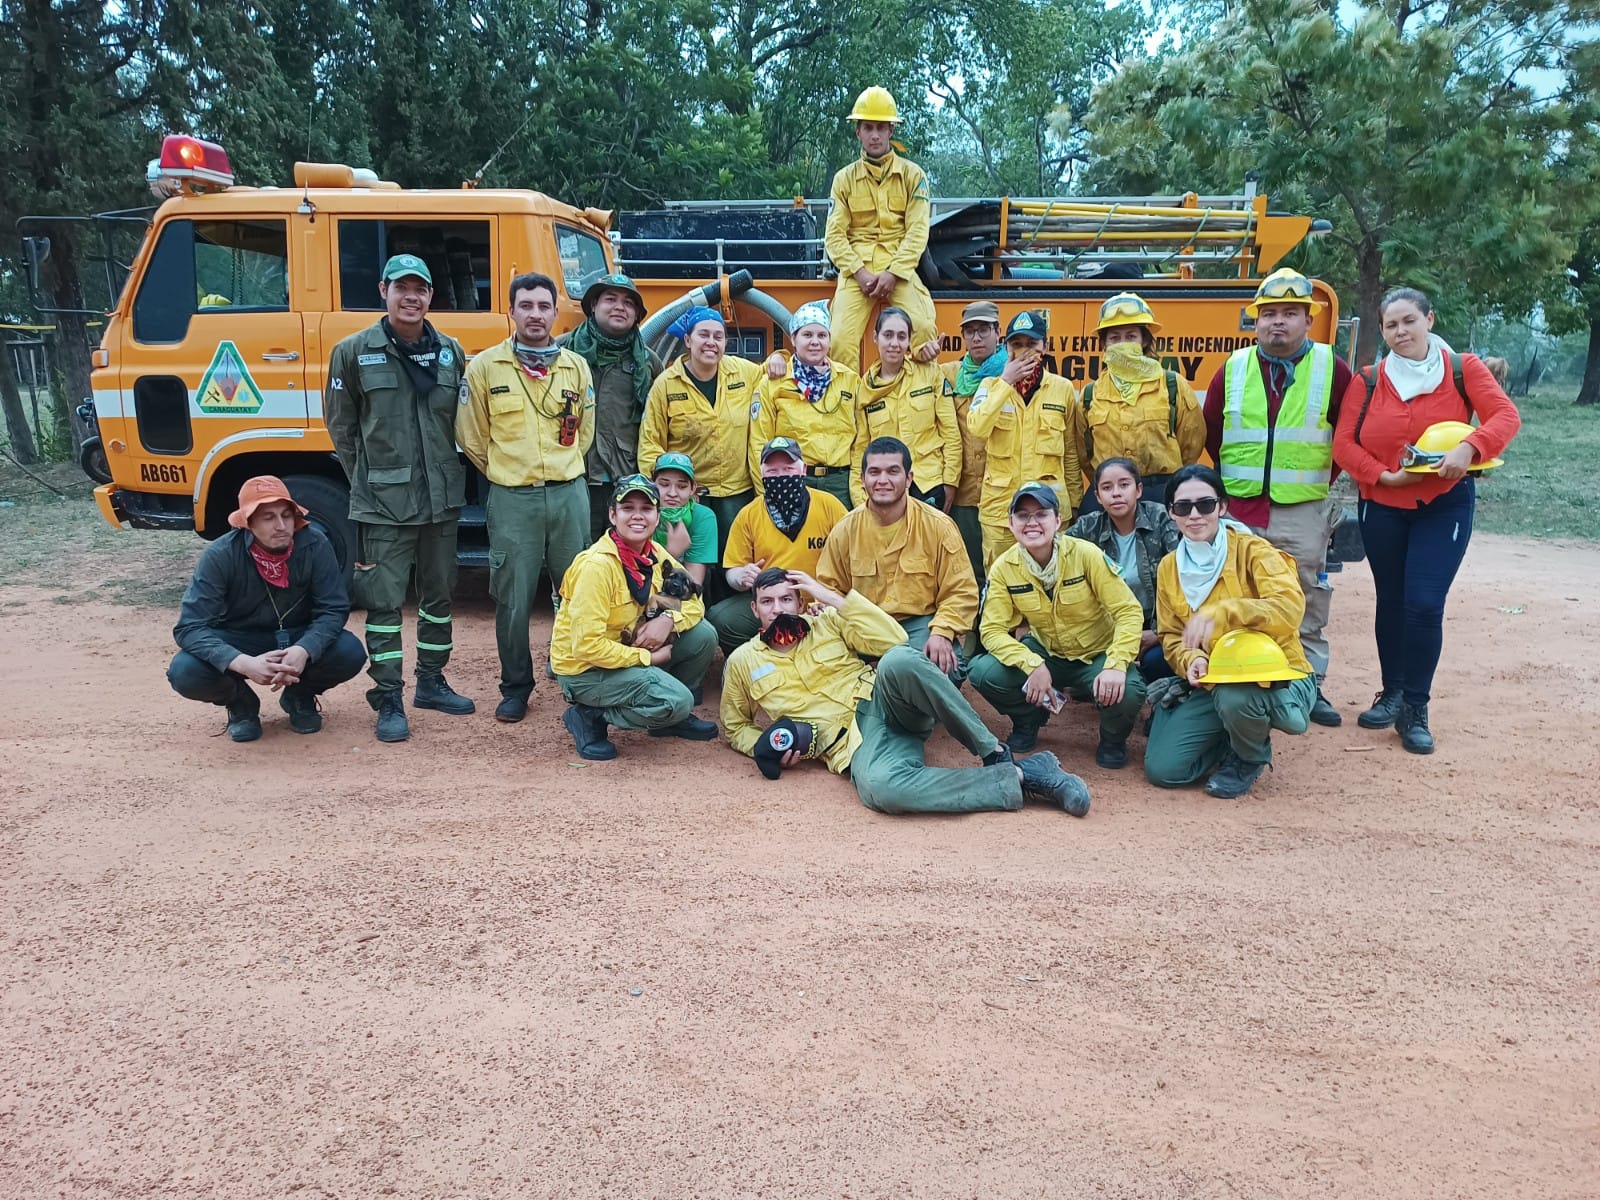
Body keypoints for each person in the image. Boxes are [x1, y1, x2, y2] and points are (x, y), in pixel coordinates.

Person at [721, 568, 1091, 816]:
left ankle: (993, 752)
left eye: (787, 599)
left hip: (884, 701)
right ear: (754, 609)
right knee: (882, 790)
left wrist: (834, 599)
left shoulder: (829, 621)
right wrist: (768, 745)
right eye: (767, 602)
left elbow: (895, 640)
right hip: (854, 746)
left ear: (800, 602)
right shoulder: (742, 661)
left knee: (898, 659)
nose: (778, 608)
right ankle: (1026, 775)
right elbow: (735, 725)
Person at [1332, 286, 1521, 753]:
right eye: (1391, 325)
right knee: (1391, 600)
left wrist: (1469, 447)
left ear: (1429, 320)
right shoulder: (1370, 379)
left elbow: (1505, 416)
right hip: (1383, 503)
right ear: (1382, 330)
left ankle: (1416, 707)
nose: (1401, 332)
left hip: (1444, 503)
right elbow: (1344, 445)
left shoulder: (1462, 369)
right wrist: (1381, 476)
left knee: (1423, 603)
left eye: (1409, 321)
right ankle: (1392, 692)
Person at [326, 252, 475, 743]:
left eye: (421, 289)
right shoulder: (353, 351)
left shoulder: (450, 351)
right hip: (383, 504)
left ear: (431, 296)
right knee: (385, 603)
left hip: (441, 500)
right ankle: (388, 696)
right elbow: (342, 429)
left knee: (438, 597)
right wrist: (369, 482)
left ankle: (430, 682)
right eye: (402, 287)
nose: (411, 297)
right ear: (384, 292)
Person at [1203, 267, 1353, 729]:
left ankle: (1307, 684)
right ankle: (1237, 684)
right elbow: (1211, 431)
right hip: (1241, 508)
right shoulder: (1232, 369)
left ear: (1309, 320)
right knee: (1233, 594)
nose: (1277, 323)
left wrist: (1310, 481)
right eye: (1268, 314)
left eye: (1290, 313)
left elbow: (1346, 437)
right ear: (1255, 321)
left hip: (1301, 509)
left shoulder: (1333, 369)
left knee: (1304, 598)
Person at [459, 272, 595, 725]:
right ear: (512, 312)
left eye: (543, 306)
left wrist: (560, 469)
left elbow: (584, 431)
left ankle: (579, 680)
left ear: (556, 313)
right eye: (526, 306)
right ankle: (516, 686)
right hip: (513, 498)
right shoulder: (484, 369)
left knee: (578, 592)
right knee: (513, 598)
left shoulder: (575, 366)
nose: (535, 314)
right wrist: (509, 472)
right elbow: (473, 437)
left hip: (568, 494)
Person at [1144, 465, 1317, 798]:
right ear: (1171, 514)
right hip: (1213, 682)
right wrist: (1191, 658)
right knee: (1164, 770)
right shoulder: (1169, 567)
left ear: (1222, 507)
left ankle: (1249, 755)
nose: (1195, 515)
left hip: (1279, 674)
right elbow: (1170, 635)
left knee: (1237, 697)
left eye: (1205, 505)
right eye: (1183, 507)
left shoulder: (1254, 550)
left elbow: (1290, 607)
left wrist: (1226, 611)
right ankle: (1231, 734)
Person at [168, 476, 366, 741]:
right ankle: (240, 703)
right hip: (238, 639)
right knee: (185, 672)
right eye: (268, 517)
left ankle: (299, 696)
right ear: (248, 522)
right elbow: (189, 628)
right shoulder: (221, 555)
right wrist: (241, 662)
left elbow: (333, 609)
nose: (282, 526)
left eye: (287, 515)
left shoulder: (315, 544)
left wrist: (304, 649)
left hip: (296, 635)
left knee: (349, 652)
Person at [969, 482, 1147, 768]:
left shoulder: (1085, 554)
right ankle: (1029, 720)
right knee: (982, 672)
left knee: (1129, 691)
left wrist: (1115, 664)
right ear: (1011, 524)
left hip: (1097, 653)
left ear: (1058, 520)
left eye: (1041, 514)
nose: (1032, 523)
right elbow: (991, 630)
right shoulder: (1004, 567)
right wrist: (1031, 664)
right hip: (1046, 651)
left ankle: (1113, 739)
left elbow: (1128, 611)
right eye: (1023, 516)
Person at [551, 475, 720, 760]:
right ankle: (590, 716)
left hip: (627, 647)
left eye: (646, 509)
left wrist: (667, 620)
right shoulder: (596, 566)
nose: (637, 516)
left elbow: (693, 600)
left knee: (703, 635)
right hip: (586, 670)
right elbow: (587, 647)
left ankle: (666, 719)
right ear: (612, 515)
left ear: (657, 516)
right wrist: (648, 659)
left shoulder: (654, 553)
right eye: (628, 508)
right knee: (678, 701)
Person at [816, 437, 977, 679]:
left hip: (918, 626)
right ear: (862, 479)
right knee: (820, 661)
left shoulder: (939, 526)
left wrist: (942, 632)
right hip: (864, 624)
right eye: (874, 472)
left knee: (947, 669)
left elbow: (961, 591)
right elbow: (829, 589)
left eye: (893, 471)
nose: (883, 480)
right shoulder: (845, 529)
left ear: (909, 478)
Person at [824, 86, 940, 373]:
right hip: (856, 271)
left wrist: (894, 273)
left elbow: (917, 232)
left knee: (924, 329)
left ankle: (920, 399)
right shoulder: (844, 179)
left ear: (891, 131)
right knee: (838, 340)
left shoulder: (914, 176)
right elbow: (834, 237)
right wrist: (859, 272)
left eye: (880, 128)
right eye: (868, 128)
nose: (874, 135)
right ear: (858, 132)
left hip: (899, 268)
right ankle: (846, 409)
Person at [637, 305, 765, 562]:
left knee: (734, 562)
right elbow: (650, 445)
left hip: (736, 494)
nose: (711, 343)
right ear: (687, 340)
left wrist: (778, 357)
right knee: (688, 566)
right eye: (703, 335)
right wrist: (667, 493)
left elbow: (778, 374)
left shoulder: (746, 373)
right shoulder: (666, 384)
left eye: (718, 337)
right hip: (686, 498)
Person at [966, 309, 1087, 569]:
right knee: (1001, 585)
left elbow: (1070, 452)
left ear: (1046, 346)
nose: (1024, 351)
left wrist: (1074, 504)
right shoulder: (989, 386)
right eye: (1017, 344)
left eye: (1032, 344)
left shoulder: (1062, 389)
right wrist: (1005, 382)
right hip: (1001, 514)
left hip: (1049, 513)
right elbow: (976, 427)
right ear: (1006, 347)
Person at [707, 437, 850, 656]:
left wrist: (832, 599)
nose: (781, 476)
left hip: (820, 601)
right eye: (772, 472)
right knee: (721, 618)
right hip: (771, 603)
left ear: (803, 470)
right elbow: (732, 570)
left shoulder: (829, 505)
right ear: (762, 474)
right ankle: (759, 660)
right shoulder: (749, 514)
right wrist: (742, 577)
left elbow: (852, 561)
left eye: (788, 468)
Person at [1080, 292, 1204, 509]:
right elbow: (1083, 451)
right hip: (1110, 496)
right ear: (1104, 344)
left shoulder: (1173, 386)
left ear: (1145, 339)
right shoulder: (1091, 394)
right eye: (1115, 338)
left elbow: (1191, 442)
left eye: (1130, 336)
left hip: (1161, 493)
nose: (1123, 344)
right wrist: (1110, 482)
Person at [560, 273, 660, 539]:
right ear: (593, 305)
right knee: (576, 557)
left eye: (628, 303)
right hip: (574, 475)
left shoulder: (648, 362)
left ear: (637, 313)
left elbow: (659, 420)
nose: (619, 307)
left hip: (625, 479)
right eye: (610, 299)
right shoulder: (562, 353)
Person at [1066, 458, 1181, 682]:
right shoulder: (1088, 526)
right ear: (1098, 496)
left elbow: (1183, 580)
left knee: (1157, 661)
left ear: (1138, 490)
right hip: (1109, 628)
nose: (1116, 493)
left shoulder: (1162, 518)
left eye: (1124, 485)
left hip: (1158, 624)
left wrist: (1157, 634)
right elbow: (1054, 554)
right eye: (1107, 488)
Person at [750, 301, 864, 509]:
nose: (815, 342)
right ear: (793, 338)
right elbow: (759, 443)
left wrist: (858, 491)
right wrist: (766, 493)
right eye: (807, 335)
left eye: (822, 336)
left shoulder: (849, 380)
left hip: (840, 483)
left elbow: (861, 440)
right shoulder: (773, 383)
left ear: (830, 340)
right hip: (791, 481)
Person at [854, 307, 960, 510]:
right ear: (875, 337)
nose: (894, 343)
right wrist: (861, 497)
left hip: (929, 484)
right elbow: (860, 448)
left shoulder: (930, 374)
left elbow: (950, 432)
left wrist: (950, 482)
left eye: (901, 336)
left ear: (910, 339)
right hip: (885, 488)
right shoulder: (865, 388)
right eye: (888, 335)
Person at [941, 299, 1007, 587]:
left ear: (998, 331)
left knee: (1001, 575)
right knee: (964, 574)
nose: (976, 337)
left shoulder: (1012, 374)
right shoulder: (948, 375)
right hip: (963, 492)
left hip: (1003, 493)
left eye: (984, 330)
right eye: (970, 331)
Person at [649, 452, 718, 589]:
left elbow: (693, 585)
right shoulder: (641, 513)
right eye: (664, 484)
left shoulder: (703, 517)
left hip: (681, 594)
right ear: (652, 484)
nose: (672, 493)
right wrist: (671, 554)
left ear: (692, 488)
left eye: (681, 487)